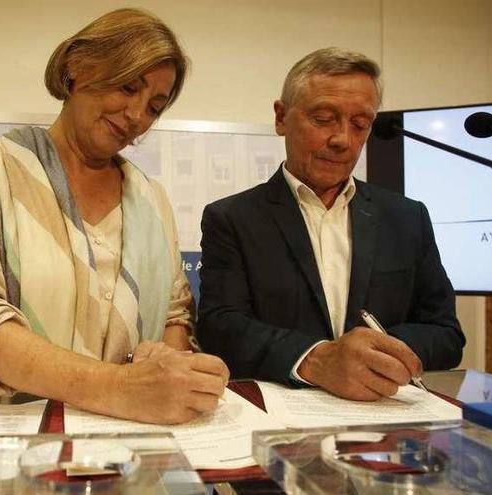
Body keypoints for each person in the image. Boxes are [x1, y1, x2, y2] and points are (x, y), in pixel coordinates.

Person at [0, 8, 228, 425]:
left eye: (155, 107)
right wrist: (120, 388)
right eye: (128, 87)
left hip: (126, 452)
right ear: (77, 67)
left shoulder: (150, 199)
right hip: (12, 442)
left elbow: (173, 314)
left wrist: (164, 359)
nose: (137, 117)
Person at [197, 47, 465, 401]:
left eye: (360, 125)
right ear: (281, 118)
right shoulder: (232, 218)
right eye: (323, 118)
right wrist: (319, 360)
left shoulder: (407, 218)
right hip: (280, 419)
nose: (343, 140)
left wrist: (375, 354)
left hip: (385, 418)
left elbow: (446, 334)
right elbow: (220, 329)